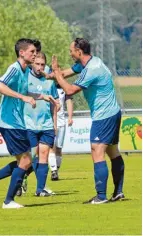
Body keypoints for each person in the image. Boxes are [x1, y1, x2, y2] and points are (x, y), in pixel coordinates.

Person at [0, 38, 55, 209]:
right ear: (22, 53)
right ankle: (8, 200)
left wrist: (40, 96)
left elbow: (24, 92)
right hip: (9, 122)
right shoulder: (14, 69)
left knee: (27, 160)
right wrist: (23, 98)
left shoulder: (24, 70)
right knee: (27, 160)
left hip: (17, 123)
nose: (35, 54)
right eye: (32, 52)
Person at [50, 38, 124, 204]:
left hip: (104, 115)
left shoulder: (92, 69)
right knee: (112, 152)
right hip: (112, 112)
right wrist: (45, 74)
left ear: (79, 51)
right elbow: (63, 74)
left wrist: (55, 73)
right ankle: (118, 192)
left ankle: (101, 196)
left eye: (71, 51)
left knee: (96, 150)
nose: (70, 53)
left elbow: (68, 89)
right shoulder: (89, 62)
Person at [23, 52, 59, 196]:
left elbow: (54, 104)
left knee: (44, 154)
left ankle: (40, 189)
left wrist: (54, 124)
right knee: (32, 156)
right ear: (32, 63)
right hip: (29, 123)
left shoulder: (49, 80)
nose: (40, 67)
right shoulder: (25, 77)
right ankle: (23, 176)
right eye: (37, 64)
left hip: (46, 124)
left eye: (42, 64)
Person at [49, 83, 73, 181]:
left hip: (61, 122)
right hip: (50, 122)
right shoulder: (49, 86)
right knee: (51, 148)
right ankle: (53, 171)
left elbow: (69, 102)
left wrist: (70, 117)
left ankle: (56, 171)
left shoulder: (64, 87)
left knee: (59, 149)